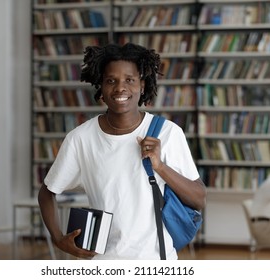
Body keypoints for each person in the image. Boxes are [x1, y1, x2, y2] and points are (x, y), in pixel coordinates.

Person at [38, 42, 206, 260]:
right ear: (101, 88)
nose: (120, 88)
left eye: (129, 80)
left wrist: (160, 167)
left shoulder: (168, 133)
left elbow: (199, 199)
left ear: (142, 85)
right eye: (111, 81)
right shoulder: (81, 139)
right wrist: (58, 238)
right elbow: (47, 192)